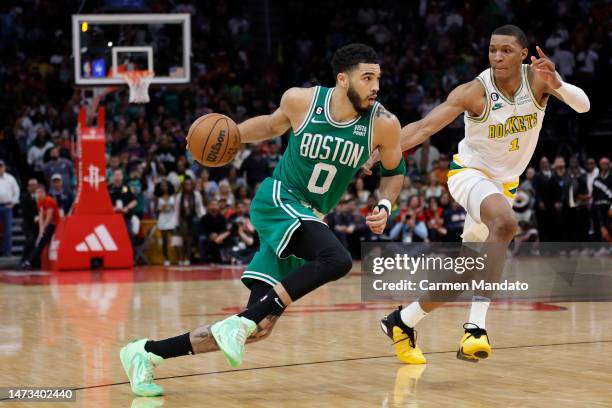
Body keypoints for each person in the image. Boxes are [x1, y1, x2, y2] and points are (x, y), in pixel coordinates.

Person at [120, 43, 405, 397]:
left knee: (257, 325)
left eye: (377, 77)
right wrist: (229, 137)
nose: (376, 85)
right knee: (337, 259)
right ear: (343, 80)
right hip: (279, 200)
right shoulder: (302, 101)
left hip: (309, 218)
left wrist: (385, 204)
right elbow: (270, 126)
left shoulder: (384, 124)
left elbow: (394, 171)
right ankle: (240, 323)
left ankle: (145, 353)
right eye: (367, 77)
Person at [366, 25, 590, 364]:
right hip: (469, 175)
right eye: (491, 49)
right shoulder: (475, 91)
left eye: (505, 50)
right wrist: (386, 148)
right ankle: (476, 329)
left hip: (503, 186)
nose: (497, 56)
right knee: (505, 223)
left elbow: (584, 106)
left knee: (468, 270)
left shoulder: (540, 79)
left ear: (523, 55)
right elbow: (425, 126)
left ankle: (402, 321)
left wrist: (558, 84)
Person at [20, 185, 61, 270]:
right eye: (37, 193)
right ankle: (29, 261)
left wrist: (43, 229)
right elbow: (41, 216)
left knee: (40, 242)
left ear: (44, 193)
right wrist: (41, 230)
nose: (39, 194)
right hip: (49, 225)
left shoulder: (49, 200)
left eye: (40, 192)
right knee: (39, 242)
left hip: (56, 224)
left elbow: (49, 218)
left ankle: (28, 261)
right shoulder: (39, 202)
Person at [154, 179, 176, 267]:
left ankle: (180, 257)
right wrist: (160, 208)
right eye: (162, 186)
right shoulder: (157, 197)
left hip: (172, 217)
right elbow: (155, 209)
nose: (163, 187)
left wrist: (172, 206)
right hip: (163, 218)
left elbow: (177, 207)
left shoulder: (173, 196)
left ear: (169, 186)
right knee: (165, 240)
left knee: (176, 238)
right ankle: (166, 259)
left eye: (165, 185)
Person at [0, 160, 20, 256]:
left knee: (8, 230)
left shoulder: (10, 178)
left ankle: (7, 251)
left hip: (7, 206)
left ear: (4, 167)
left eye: (1, 166)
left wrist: (13, 202)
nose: (0, 168)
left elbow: (16, 191)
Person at [20, 179, 39, 264]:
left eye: (35, 185)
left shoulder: (41, 196)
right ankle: (23, 260)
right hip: (28, 224)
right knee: (30, 239)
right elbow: (26, 211)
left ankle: (36, 262)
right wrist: (35, 217)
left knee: (39, 241)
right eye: (31, 185)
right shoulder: (24, 197)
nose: (33, 187)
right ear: (28, 187)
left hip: (39, 224)